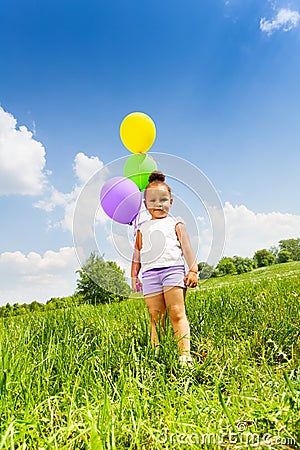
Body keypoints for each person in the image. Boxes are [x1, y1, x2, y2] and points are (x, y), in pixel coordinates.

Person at [131, 171, 198, 367]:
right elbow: (137, 253)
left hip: (172, 271)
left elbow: (186, 248)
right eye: (152, 200)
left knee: (177, 313)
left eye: (163, 200)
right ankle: (156, 356)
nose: (158, 204)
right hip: (150, 275)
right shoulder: (142, 228)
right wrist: (134, 274)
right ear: (145, 204)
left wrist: (193, 270)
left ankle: (184, 356)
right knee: (156, 317)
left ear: (171, 201)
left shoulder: (175, 224)